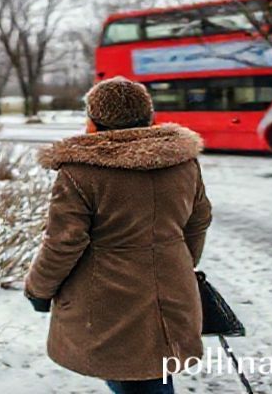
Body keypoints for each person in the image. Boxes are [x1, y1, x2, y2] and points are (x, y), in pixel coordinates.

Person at [24, 77, 212, 394]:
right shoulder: (183, 162)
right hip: (172, 292)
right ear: (149, 117)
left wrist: (39, 289)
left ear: (94, 123)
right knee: (154, 375)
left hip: (110, 303)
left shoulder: (80, 172)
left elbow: (64, 241)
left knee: (132, 379)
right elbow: (199, 220)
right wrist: (176, 264)